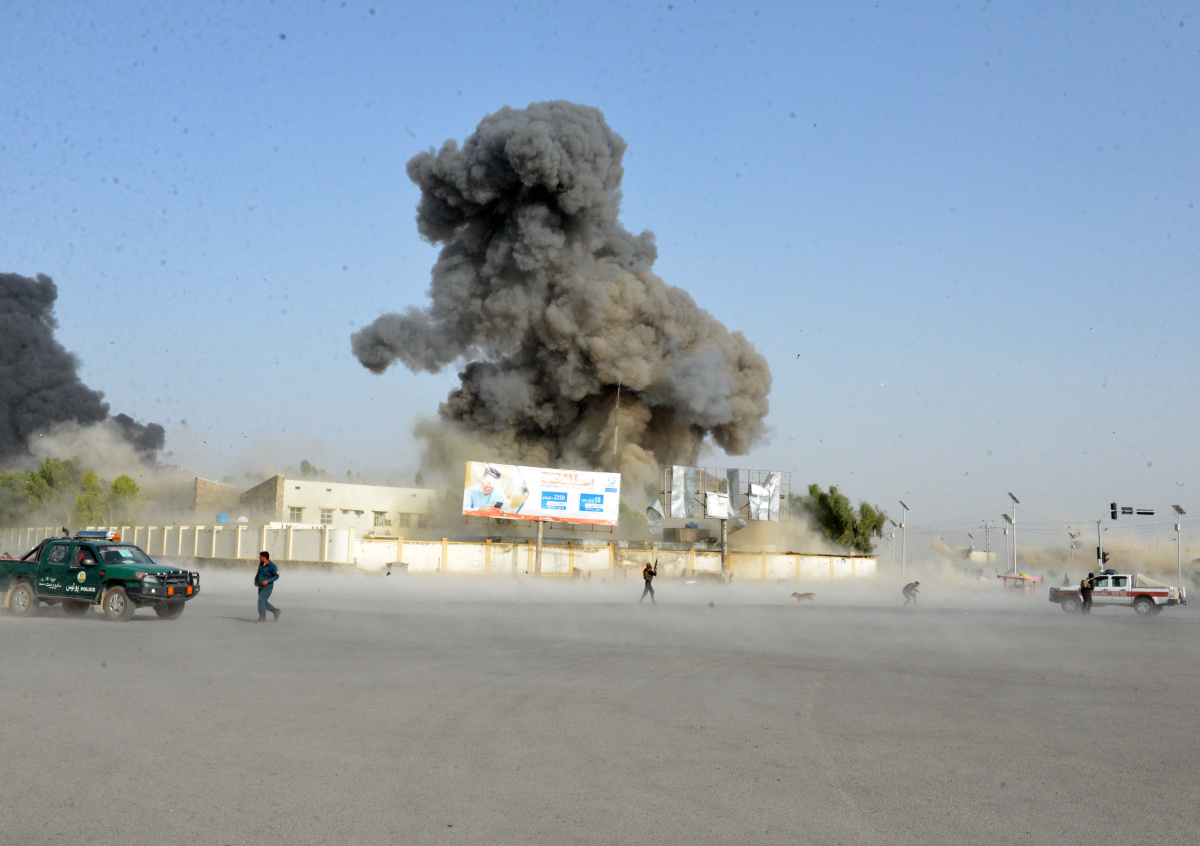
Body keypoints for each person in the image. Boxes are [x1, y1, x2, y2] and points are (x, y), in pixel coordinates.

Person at [255, 551, 281, 622]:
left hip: (267, 587)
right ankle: (275, 611)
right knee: (263, 601)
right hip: (260, 586)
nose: (259, 558)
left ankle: (262, 617)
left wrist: (268, 581)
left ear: (264, 557)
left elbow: (276, 576)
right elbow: (258, 573)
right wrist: (256, 579)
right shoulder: (261, 564)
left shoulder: (272, 566)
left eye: (260, 557)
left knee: (261, 600)